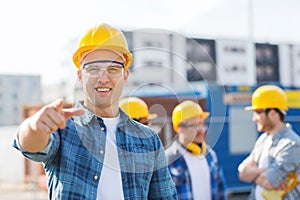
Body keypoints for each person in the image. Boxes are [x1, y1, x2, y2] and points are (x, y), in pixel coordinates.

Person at [13, 23, 177, 199]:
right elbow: (30, 147)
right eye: (93, 69)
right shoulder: (63, 128)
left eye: (113, 69)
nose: (103, 78)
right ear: (80, 75)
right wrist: (34, 127)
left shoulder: (148, 140)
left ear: (125, 75)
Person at [238, 85, 300, 200]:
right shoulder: (262, 140)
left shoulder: (291, 144)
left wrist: (254, 173)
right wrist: (266, 170)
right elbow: (242, 173)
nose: (254, 118)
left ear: (272, 113)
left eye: (257, 112)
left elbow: (268, 182)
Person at [165, 100, 227, 200]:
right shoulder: (168, 160)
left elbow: (221, 192)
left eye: (202, 124)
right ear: (180, 128)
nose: (201, 130)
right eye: (195, 125)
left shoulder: (211, 156)